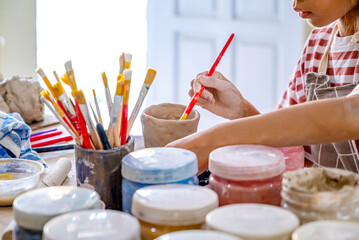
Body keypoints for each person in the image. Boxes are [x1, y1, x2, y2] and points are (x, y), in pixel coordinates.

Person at [167, 0, 359, 174]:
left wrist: (212, 140)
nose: (294, 3)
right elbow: (287, 142)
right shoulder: (318, 43)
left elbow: (351, 114)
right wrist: (241, 110)